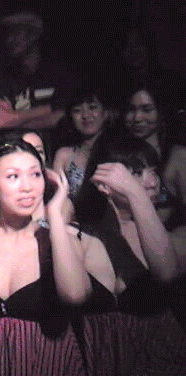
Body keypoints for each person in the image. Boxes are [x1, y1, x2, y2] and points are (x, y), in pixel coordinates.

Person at [0, 140, 89, 376]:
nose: (27, 187)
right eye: (13, 176)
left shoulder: (61, 240)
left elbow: (75, 295)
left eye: (35, 175)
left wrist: (54, 213)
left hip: (47, 365)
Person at [74, 136, 186, 374]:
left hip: (160, 357)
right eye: (135, 173)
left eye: (153, 171)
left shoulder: (173, 234)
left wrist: (135, 193)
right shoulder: (84, 235)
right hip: (101, 356)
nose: (152, 182)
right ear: (104, 184)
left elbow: (166, 271)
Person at [0, 12, 77, 148]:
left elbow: (63, 115)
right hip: (20, 150)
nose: (10, 40)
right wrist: (46, 114)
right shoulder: (7, 76)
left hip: (58, 148)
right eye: (8, 35)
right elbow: (0, 121)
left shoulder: (57, 72)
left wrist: (15, 118)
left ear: (33, 35)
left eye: (16, 33)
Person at [122, 84, 186, 210]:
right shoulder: (117, 153)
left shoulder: (178, 156)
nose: (137, 117)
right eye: (131, 110)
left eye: (147, 110)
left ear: (161, 112)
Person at [53, 89, 112, 200]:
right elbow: (58, 199)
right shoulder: (64, 155)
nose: (85, 115)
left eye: (92, 107)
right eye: (77, 110)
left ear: (106, 113)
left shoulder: (119, 151)